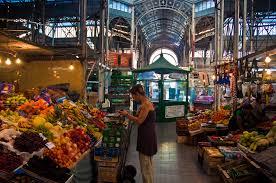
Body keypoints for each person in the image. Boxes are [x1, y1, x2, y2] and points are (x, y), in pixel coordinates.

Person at [119, 84, 157, 183]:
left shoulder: (146, 105)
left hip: (146, 138)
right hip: (148, 136)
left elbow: (139, 121)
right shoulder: (146, 103)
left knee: (145, 167)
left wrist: (127, 115)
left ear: (137, 94)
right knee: (148, 165)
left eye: (133, 96)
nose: (133, 98)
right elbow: (143, 118)